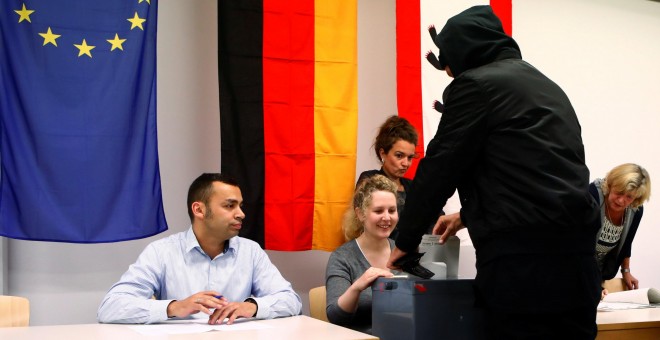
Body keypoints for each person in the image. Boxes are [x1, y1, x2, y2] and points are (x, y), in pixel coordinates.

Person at [386, 5, 601, 338]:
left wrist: (406, 241)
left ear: (464, 53)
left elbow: (440, 167)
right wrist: (467, 215)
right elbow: (533, 172)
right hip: (578, 264)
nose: (448, 73)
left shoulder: (476, 85)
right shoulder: (545, 86)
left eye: (450, 63)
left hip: (523, 269)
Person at [97, 173, 302, 324]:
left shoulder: (251, 251)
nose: (241, 214)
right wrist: (174, 307)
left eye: (240, 206)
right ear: (199, 210)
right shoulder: (162, 251)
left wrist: (251, 307)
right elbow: (110, 308)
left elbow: (291, 301)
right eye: (230, 206)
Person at [325, 174, 396, 334]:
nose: (387, 217)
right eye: (378, 211)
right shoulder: (342, 258)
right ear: (360, 214)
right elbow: (335, 317)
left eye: (392, 210)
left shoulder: (404, 254)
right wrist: (358, 286)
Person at [356, 115, 441, 238]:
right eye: (399, 156)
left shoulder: (413, 186)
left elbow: (437, 219)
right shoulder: (369, 179)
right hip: (380, 254)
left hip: (417, 254)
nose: (406, 163)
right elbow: (369, 226)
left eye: (410, 157)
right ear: (383, 153)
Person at [590, 163, 651, 297]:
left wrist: (626, 271)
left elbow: (626, 243)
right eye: (619, 192)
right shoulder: (592, 196)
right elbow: (578, 245)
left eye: (629, 197)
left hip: (599, 273)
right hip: (575, 268)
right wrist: (592, 285)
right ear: (610, 185)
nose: (621, 200)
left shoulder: (635, 210)